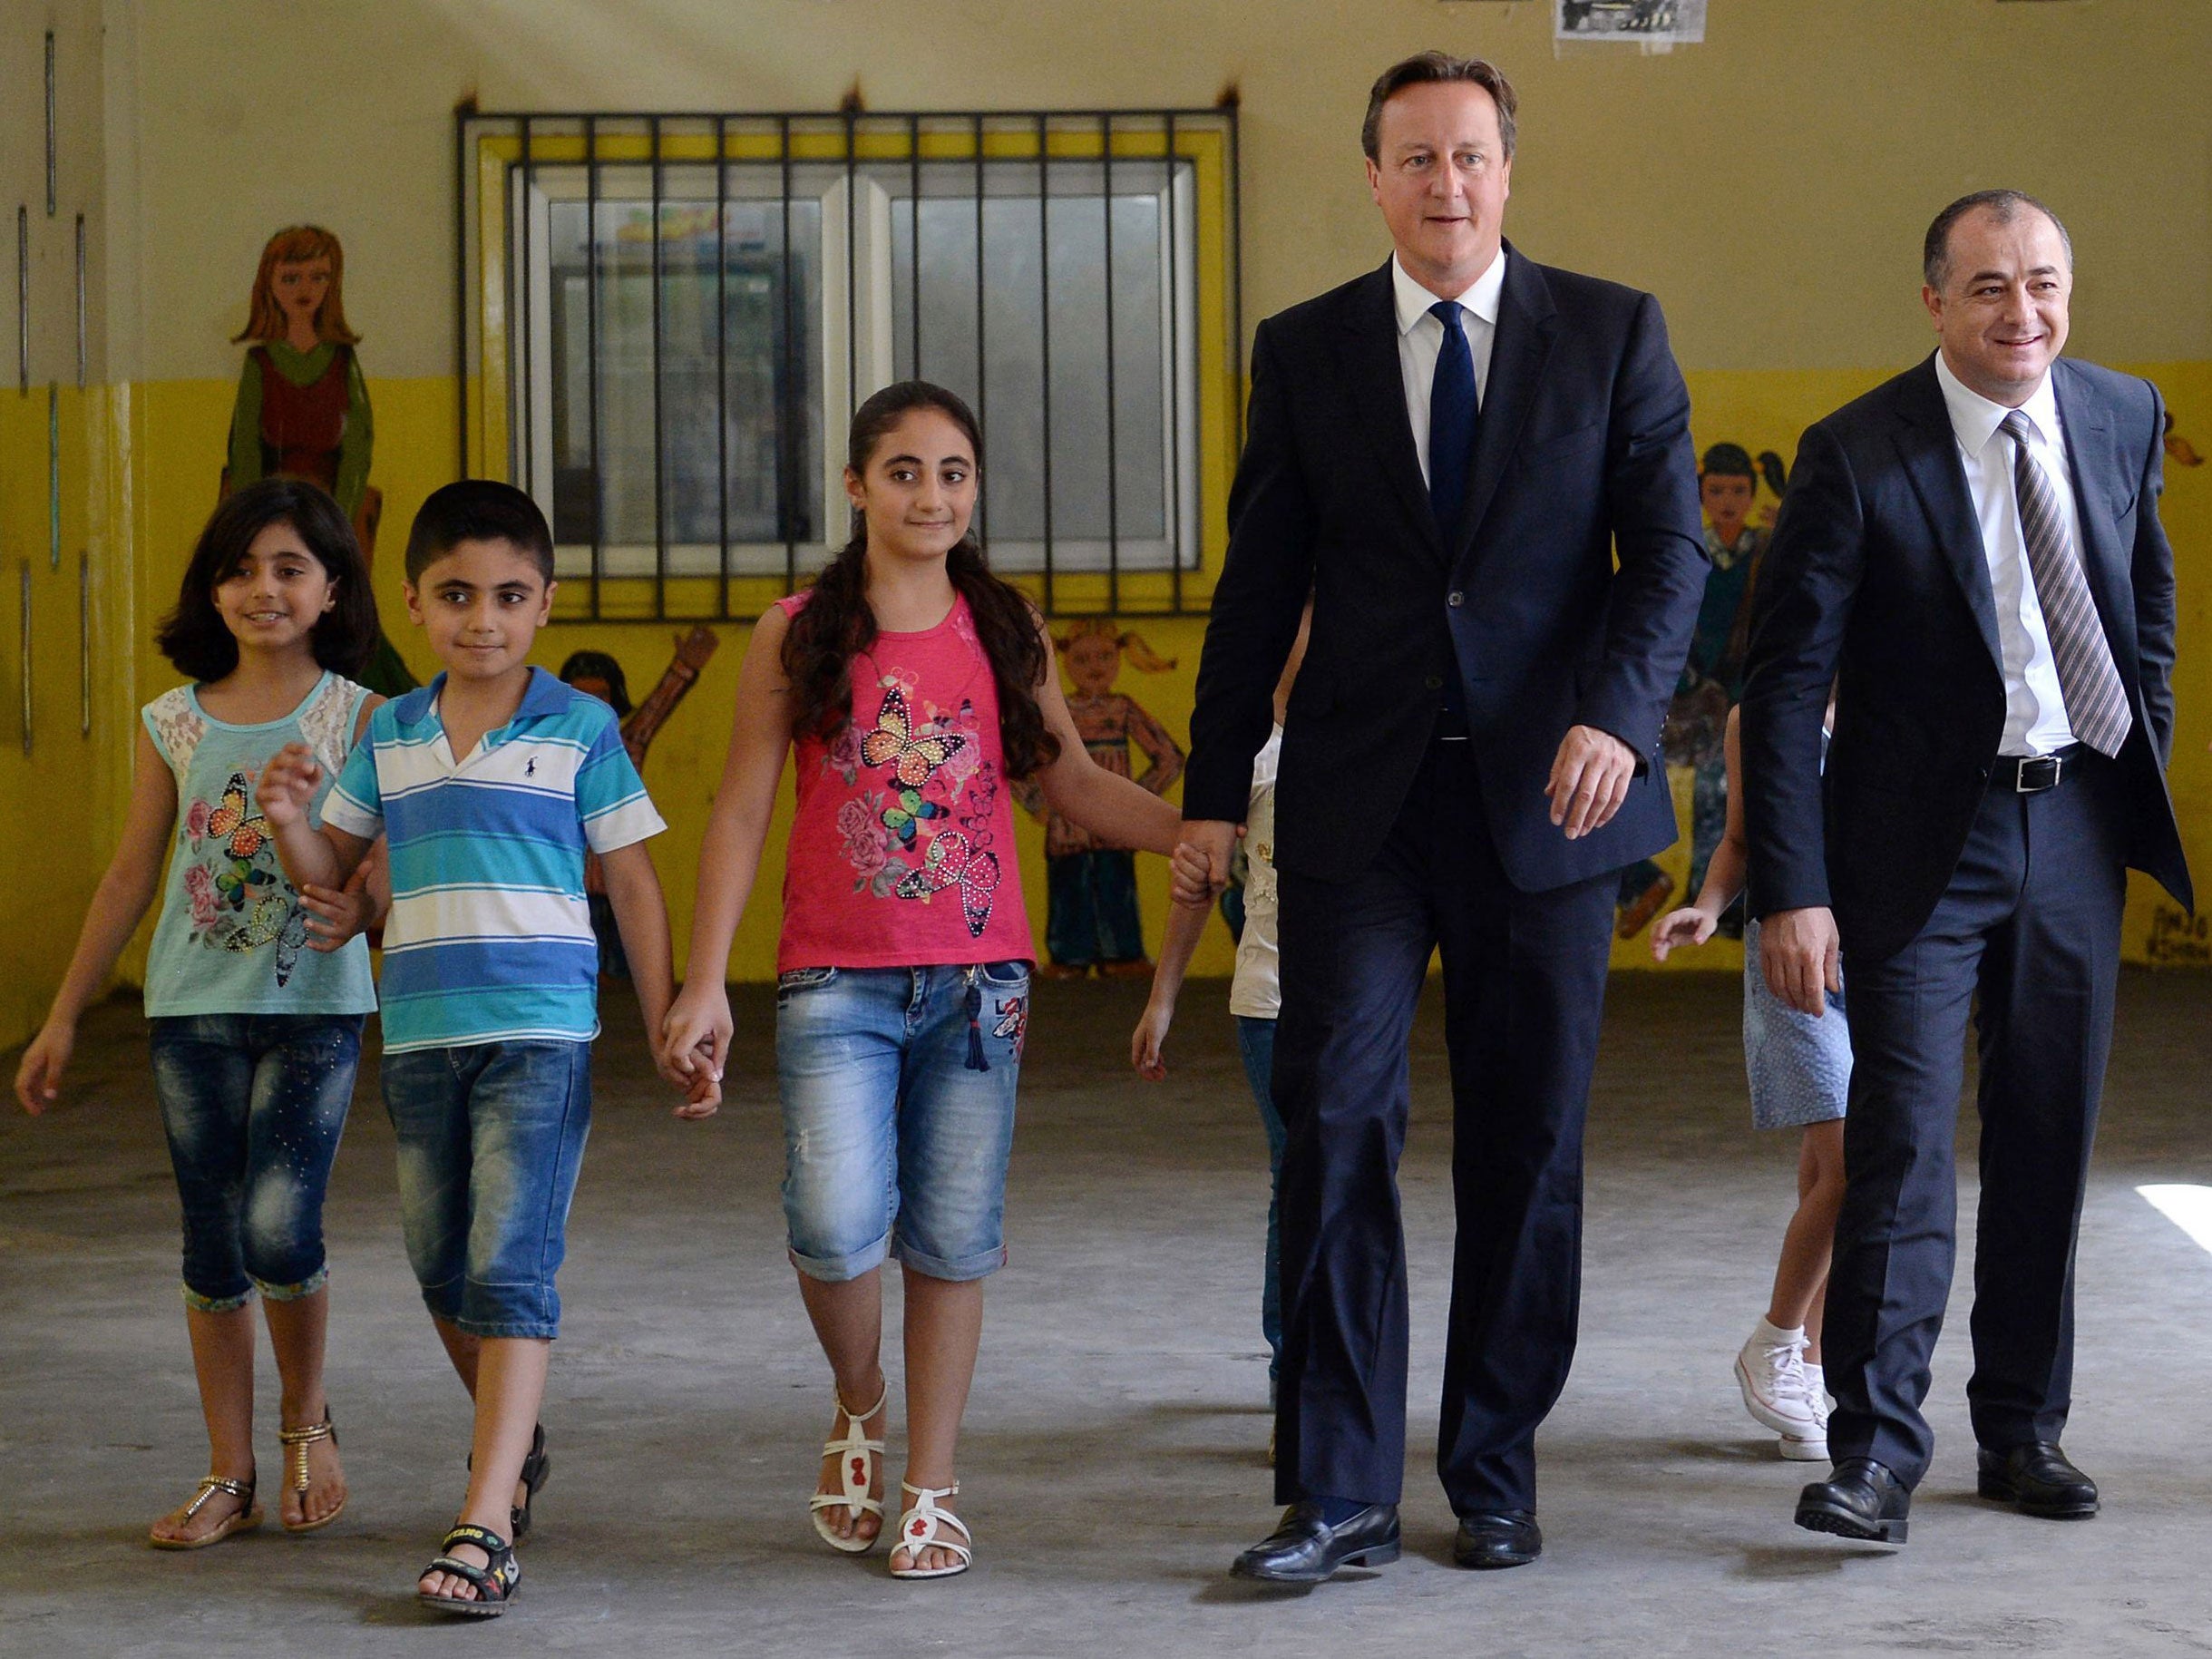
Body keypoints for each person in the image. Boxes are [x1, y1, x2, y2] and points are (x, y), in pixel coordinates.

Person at [1174, 53, 1707, 1583]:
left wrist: (1616, 714)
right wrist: (1213, 795)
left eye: (1468, 155)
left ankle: (1489, 1467)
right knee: (1334, 1126)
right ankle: (1333, 1489)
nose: (1444, 184)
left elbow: (1662, 558)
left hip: (1547, 799)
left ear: (1505, 170)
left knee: (1524, 1141)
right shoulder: (1307, 347)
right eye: (1413, 158)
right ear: (1370, 177)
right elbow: (1257, 588)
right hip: (1360, 804)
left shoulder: (1608, 332)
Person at [660, 380, 1181, 1581]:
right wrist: (704, 982)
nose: (930, 494)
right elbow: (740, 807)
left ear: (974, 490)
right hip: (833, 979)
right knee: (836, 1224)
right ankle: (858, 1397)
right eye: (903, 471)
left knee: (951, 1237)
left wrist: (1190, 833)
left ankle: (932, 1486)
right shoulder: (798, 630)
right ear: (855, 487)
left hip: (979, 983)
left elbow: (1074, 786)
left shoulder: (1003, 629)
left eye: (952, 472)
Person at [1742, 190, 2191, 1547]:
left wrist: (2125, 772)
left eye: (2042, 283)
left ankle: (2019, 1432)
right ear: (1932, 302)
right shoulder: (1853, 450)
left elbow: (2143, 610)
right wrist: (1790, 884)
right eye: (1988, 287)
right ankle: (1871, 1456)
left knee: (2047, 1138)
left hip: (2071, 829)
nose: (2022, 313)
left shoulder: (2117, 417)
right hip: (1910, 853)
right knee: (1896, 1149)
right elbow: (1779, 690)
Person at [257, 480, 705, 1615]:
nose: (484, 619)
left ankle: (486, 1513)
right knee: (437, 1260)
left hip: (542, 1035)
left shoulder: (580, 728)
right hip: (417, 1035)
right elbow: (340, 879)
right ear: (414, 601)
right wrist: (291, 823)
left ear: (544, 603)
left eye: (509, 596)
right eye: (457, 596)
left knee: (510, 1266)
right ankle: (518, 1440)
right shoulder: (391, 733)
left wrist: (670, 1012)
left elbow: (636, 882)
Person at [14, 479, 383, 1548]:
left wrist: (360, 904)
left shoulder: (359, 715)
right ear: (210, 589)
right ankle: (230, 1469)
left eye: (288, 568)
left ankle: (308, 1418)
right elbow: (133, 872)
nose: (262, 588)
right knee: (212, 1243)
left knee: (280, 1222)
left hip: (313, 1008)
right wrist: (65, 1013)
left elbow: (374, 873)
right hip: (188, 1010)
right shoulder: (171, 718)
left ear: (330, 589)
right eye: (239, 568)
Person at [1133, 603, 1311, 1446]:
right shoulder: (1248, 757)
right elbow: (1197, 883)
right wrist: (1163, 998)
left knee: (1341, 1173)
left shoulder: (1380, 744)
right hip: (1269, 1007)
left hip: (1354, 1006)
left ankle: (1323, 1363)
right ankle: (1294, 1368)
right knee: (1299, 1171)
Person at [1651, 700, 1847, 1462]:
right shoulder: (1756, 717)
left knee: (1825, 1168)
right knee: (1850, 1160)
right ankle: (1775, 1339)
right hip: (1794, 960)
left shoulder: (1908, 682)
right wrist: (1705, 908)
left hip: (1887, 953)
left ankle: (1809, 1366)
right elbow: (1740, 836)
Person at [225, 223, 414, 699]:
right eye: (291, 278)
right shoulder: (260, 365)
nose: (304, 290)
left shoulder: (341, 359)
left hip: (333, 508)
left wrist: (340, 518)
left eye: (317, 277)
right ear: (269, 284)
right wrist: (258, 520)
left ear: (333, 284)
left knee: (342, 613)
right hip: (269, 509)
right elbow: (244, 447)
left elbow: (359, 445)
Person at [1018, 619, 1185, 979]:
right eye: (1082, 659)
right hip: (1066, 828)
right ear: (1063, 660)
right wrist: (1037, 802)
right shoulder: (1056, 709)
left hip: (1116, 827)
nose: (1095, 667)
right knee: (1068, 891)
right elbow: (1013, 758)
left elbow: (1170, 757)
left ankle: (1124, 954)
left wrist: (1138, 801)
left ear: (1119, 658)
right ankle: (1068, 958)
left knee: (1117, 889)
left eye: (1104, 656)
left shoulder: (1122, 708)